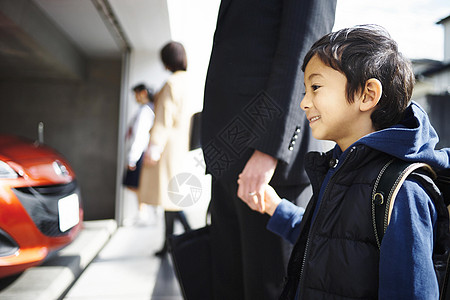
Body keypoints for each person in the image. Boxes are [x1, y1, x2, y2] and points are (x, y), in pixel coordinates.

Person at [240, 25, 450, 299]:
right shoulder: (339, 167)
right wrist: (275, 207)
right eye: (305, 90)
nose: (304, 102)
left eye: (315, 87)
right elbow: (327, 239)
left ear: (367, 95)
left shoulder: (402, 192)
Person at [201, 0, 337, 298]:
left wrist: (270, 148)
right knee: (227, 285)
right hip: (227, 154)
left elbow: (303, 55)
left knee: (269, 288)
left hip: (268, 163)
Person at [138, 41, 191, 257]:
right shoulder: (189, 81)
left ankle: (189, 237)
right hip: (182, 145)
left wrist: (154, 147)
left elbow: (163, 118)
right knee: (171, 198)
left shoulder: (170, 83)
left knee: (171, 198)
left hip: (168, 146)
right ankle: (170, 243)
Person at [123, 84, 155, 224]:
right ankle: (145, 212)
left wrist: (132, 159)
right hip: (140, 153)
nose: (135, 97)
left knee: (136, 185)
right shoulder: (146, 110)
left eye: (136, 94)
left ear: (143, 93)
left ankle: (144, 213)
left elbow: (139, 136)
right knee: (136, 185)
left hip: (139, 153)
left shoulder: (145, 111)